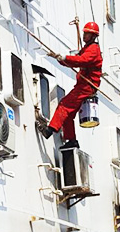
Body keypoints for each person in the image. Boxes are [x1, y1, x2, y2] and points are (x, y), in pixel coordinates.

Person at [39, 21, 103, 149]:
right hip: (84, 85)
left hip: (86, 86)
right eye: (84, 33)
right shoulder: (88, 48)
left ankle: (50, 130)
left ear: (93, 36)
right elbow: (74, 62)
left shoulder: (93, 50)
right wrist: (59, 59)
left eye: (87, 34)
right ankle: (72, 140)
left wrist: (65, 57)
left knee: (64, 105)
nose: (84, 35)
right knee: (68, 115)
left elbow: (81, 60)